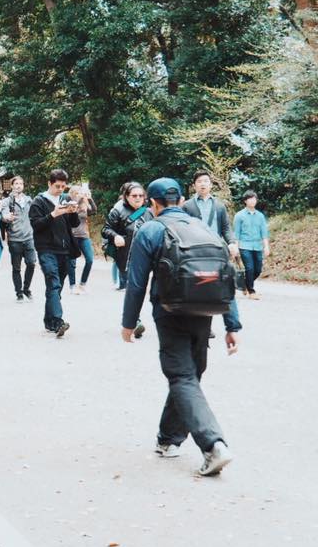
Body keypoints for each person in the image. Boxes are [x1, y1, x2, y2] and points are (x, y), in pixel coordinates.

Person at [121, 177, 241, 477]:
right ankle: (168, 439)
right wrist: (232, 324)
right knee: (190, 375)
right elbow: (226, 275)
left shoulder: (150, 229)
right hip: (206, 312)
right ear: (181, 199)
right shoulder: (204, 228)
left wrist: (128, 323)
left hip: (170, 311)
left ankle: (213, 445)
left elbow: (136, 282)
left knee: (182, 376)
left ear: (153, 203)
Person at [29, 169, 83, 337]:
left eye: (63, 186)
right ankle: (59, 321)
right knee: (53, 283)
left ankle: (49, 321)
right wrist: (53, 214)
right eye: (57, 186)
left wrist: (73, 212)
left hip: (65, 249)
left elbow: (73, 224)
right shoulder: (38, 202)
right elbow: (36, 225)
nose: (61, 189)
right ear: (49, 184)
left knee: (55, 287)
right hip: (46, 248)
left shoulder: (66, 199)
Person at [102, 182, 152, 292]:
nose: (138, 198)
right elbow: (105, 229)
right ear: (127, 197)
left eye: (141, 195)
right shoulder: (118, 211)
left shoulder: (150, 212)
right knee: (127, 291)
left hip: (144, 256)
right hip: (124, 257)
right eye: (134, 196)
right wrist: (115, 236)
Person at [182, 171, 239, 259]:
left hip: (216, 248)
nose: (202, 184)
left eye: (205, 181)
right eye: (199, 181)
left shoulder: (219, 206)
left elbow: (226, 228)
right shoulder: (187, 206)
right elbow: (183, 229)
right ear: (194, 186)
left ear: (211, 185)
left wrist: (232, 243)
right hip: (195, 250)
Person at [0, 177, 36, 303]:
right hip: (14, 239)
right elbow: (4, 215)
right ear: (12, 186)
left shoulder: (29, 200)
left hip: (29, 237)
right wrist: (6, 217)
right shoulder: (6, 201)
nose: (18, 186)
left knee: (31, 263)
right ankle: (19, 293)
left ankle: (26, 288)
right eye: (16, 184)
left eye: (21, 183)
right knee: (16, 268)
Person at [233, 190, 270, 299]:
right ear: (245, 201)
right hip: (244, 246)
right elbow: (237, 233)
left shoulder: (260, 216)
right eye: (250, 198)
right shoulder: (239, 216)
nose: (253, 201)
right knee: (249, 268)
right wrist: (236, 247)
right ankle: (251, 291)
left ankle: (244, 285)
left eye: (254, 198)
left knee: (257, 270)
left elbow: (264, 233)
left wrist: (266, 246)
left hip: (257, 246)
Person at [67, 185, 97, 294]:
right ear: (73, 194)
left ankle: (83, 284)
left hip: (84, 236)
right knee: (72, 262)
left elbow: (93, 210)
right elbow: (73, 213)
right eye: (78, 193)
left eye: (81, 192)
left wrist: (89, 198)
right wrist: (80, 199)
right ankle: (72, 285)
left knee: (89, 260)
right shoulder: (70, 205)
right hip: (73, 236)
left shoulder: (84, 205)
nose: (80, 194)